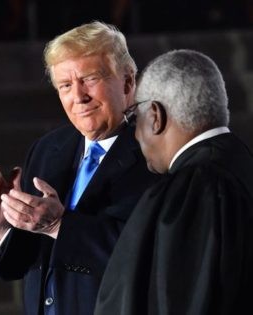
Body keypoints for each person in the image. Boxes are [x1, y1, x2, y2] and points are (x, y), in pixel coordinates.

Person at [0, 21, 158, 315]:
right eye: (65, 86)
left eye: (89, 79)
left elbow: (150, 256)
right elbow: (17, 266)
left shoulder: (156, 154)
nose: (79, 96)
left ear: (127, 82)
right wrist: (2, 226)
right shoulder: (48, 149)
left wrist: (60, 226)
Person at [95, 49, 253, 315]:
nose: (135, 135)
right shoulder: (242, 164)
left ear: (155, 116)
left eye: (136, 116)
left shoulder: (197, 190)